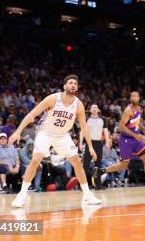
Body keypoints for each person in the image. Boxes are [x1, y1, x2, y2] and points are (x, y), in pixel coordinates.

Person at [9, 75, 101, 208]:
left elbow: (84, 126)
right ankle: (22, 195)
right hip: (45, 133)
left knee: (76, 161)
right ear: (65, 86)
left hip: (63, 135)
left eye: (75, 83)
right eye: (70, 83)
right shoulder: (53, 98)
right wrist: (18, 131)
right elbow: (32, 114)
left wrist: (90, 146)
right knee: (36, 159)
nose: (73, 85)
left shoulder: (78, 104)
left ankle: (87, 195)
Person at [93, 91, 145, 192]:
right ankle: (102, 170)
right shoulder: (128, 110)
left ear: (139, 98)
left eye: (137, 96)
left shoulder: (139, 109)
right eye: (133, 96)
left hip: (136, 140)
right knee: (123, 165)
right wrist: (136, 135)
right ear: (130, 98)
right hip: (126, 141)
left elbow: (137, 122)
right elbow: (121, 126)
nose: (135, 97)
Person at [80, 104, 108, 189]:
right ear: (90, 110)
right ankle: (84, 185)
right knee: (86, 164)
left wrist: (107, 141)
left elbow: (106, 131)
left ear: (98, 110)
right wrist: (80, 142)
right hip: (89, 143)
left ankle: (97, 184)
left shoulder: (103, 120)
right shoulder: (87, 119)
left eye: (96, 107)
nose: (94, 109)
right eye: (93, 107)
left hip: (99, 143)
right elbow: (82, 131)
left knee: (97, 165)